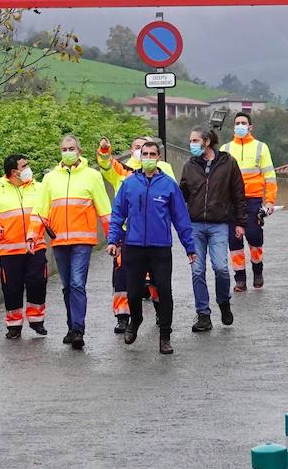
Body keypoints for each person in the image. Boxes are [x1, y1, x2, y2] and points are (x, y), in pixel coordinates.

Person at [107, 140, 197, 355]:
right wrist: (112, 240)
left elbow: (181, 219)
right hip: (134, 246)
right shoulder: (129, 184)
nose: (147, 157)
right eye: (144, 154)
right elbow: (118, 214)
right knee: (134, 291)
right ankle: (135, 320)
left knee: (164, 291)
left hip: (160, 248)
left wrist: (190, 247)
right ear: (140, 157)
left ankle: (165, 336)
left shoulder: (168, 185)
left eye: (152, 154)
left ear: (158, 157)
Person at [36, 134, 112, 349]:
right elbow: (40, 210)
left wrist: (113, 238)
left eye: (71, 148)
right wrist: (34, 234)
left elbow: (104, 210)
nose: (67, 152)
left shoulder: (92, 176)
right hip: (59, 240)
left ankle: (78, 329)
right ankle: (71, 326)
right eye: (64, 149)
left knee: (77, 283)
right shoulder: (50, 178)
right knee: (67, 286)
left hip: (83, 240)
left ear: (79, 151)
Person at [97, 135, 176, 334]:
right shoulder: (122, 169)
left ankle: (160, 312)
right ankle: (123, 317)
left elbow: (173, 198)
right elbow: (105, 164)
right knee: (122, 276)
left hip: (155, 236)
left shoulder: (164, 169)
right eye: (138, 147)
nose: (142, 151)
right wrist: (105, 150)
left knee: (157, 279)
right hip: (128, 234)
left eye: (147, 148)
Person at [180, 127, 247, 332]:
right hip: (195, 225)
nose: (191, 144)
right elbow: (181, 195)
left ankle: (224, 304)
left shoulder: (229, 163)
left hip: (219, 224)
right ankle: (203, 315)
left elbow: (238, 194)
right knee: (197, 270)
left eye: (194, 140)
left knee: (220, 267)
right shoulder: (189, 166)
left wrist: (240, 223)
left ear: (207, 142)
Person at [0, 153, 49, 340]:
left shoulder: (39, 188)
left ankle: (37, 321)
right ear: (14, 172)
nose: (28, 169)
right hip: (9, 249)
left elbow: (47, 210)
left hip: (35, 246)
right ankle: (14, 325)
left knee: (37, 282)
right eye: (24, 166)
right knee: (11, 288)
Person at [221, 112, 277, 291]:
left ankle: (257, 270)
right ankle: (240, 279)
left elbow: (269, 176)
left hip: (253, 199)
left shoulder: (261, 147)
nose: (240, 126)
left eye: (243, 123)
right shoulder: (225, 149)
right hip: (231, 201)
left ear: (250, 127)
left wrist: (269, 201)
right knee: (234, 241)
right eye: (237, 123)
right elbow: (220, 179)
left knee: (254, 236)